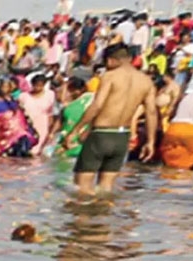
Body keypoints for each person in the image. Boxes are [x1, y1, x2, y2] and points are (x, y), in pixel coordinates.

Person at [63, 43, 157, 195]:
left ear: (111, 60)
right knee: (106, 189)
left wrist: (75, 130)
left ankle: (81, 217)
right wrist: (150, 141)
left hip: (101, 134)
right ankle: (104, 217)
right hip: (122, 137)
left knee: (82, 187)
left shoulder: (110, 76)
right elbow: (151, 112)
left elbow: (97, 105)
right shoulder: (146, 81)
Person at [55, 77, 94, 158]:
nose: (70, 93)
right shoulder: (71, 104)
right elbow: (60, 118)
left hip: (81, 137)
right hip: (67, 136)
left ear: (81, 90)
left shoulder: (90, 100)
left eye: (72, 90)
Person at [19, 74, 56, 155]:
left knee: (39, 151)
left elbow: (51, 113)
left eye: (40, 85)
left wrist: (51, 130)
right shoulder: (23, 96)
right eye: (36, 85)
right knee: (28, 150)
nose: (38, 88)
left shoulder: (50, 95)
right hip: (28, 127)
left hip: (43, 127)